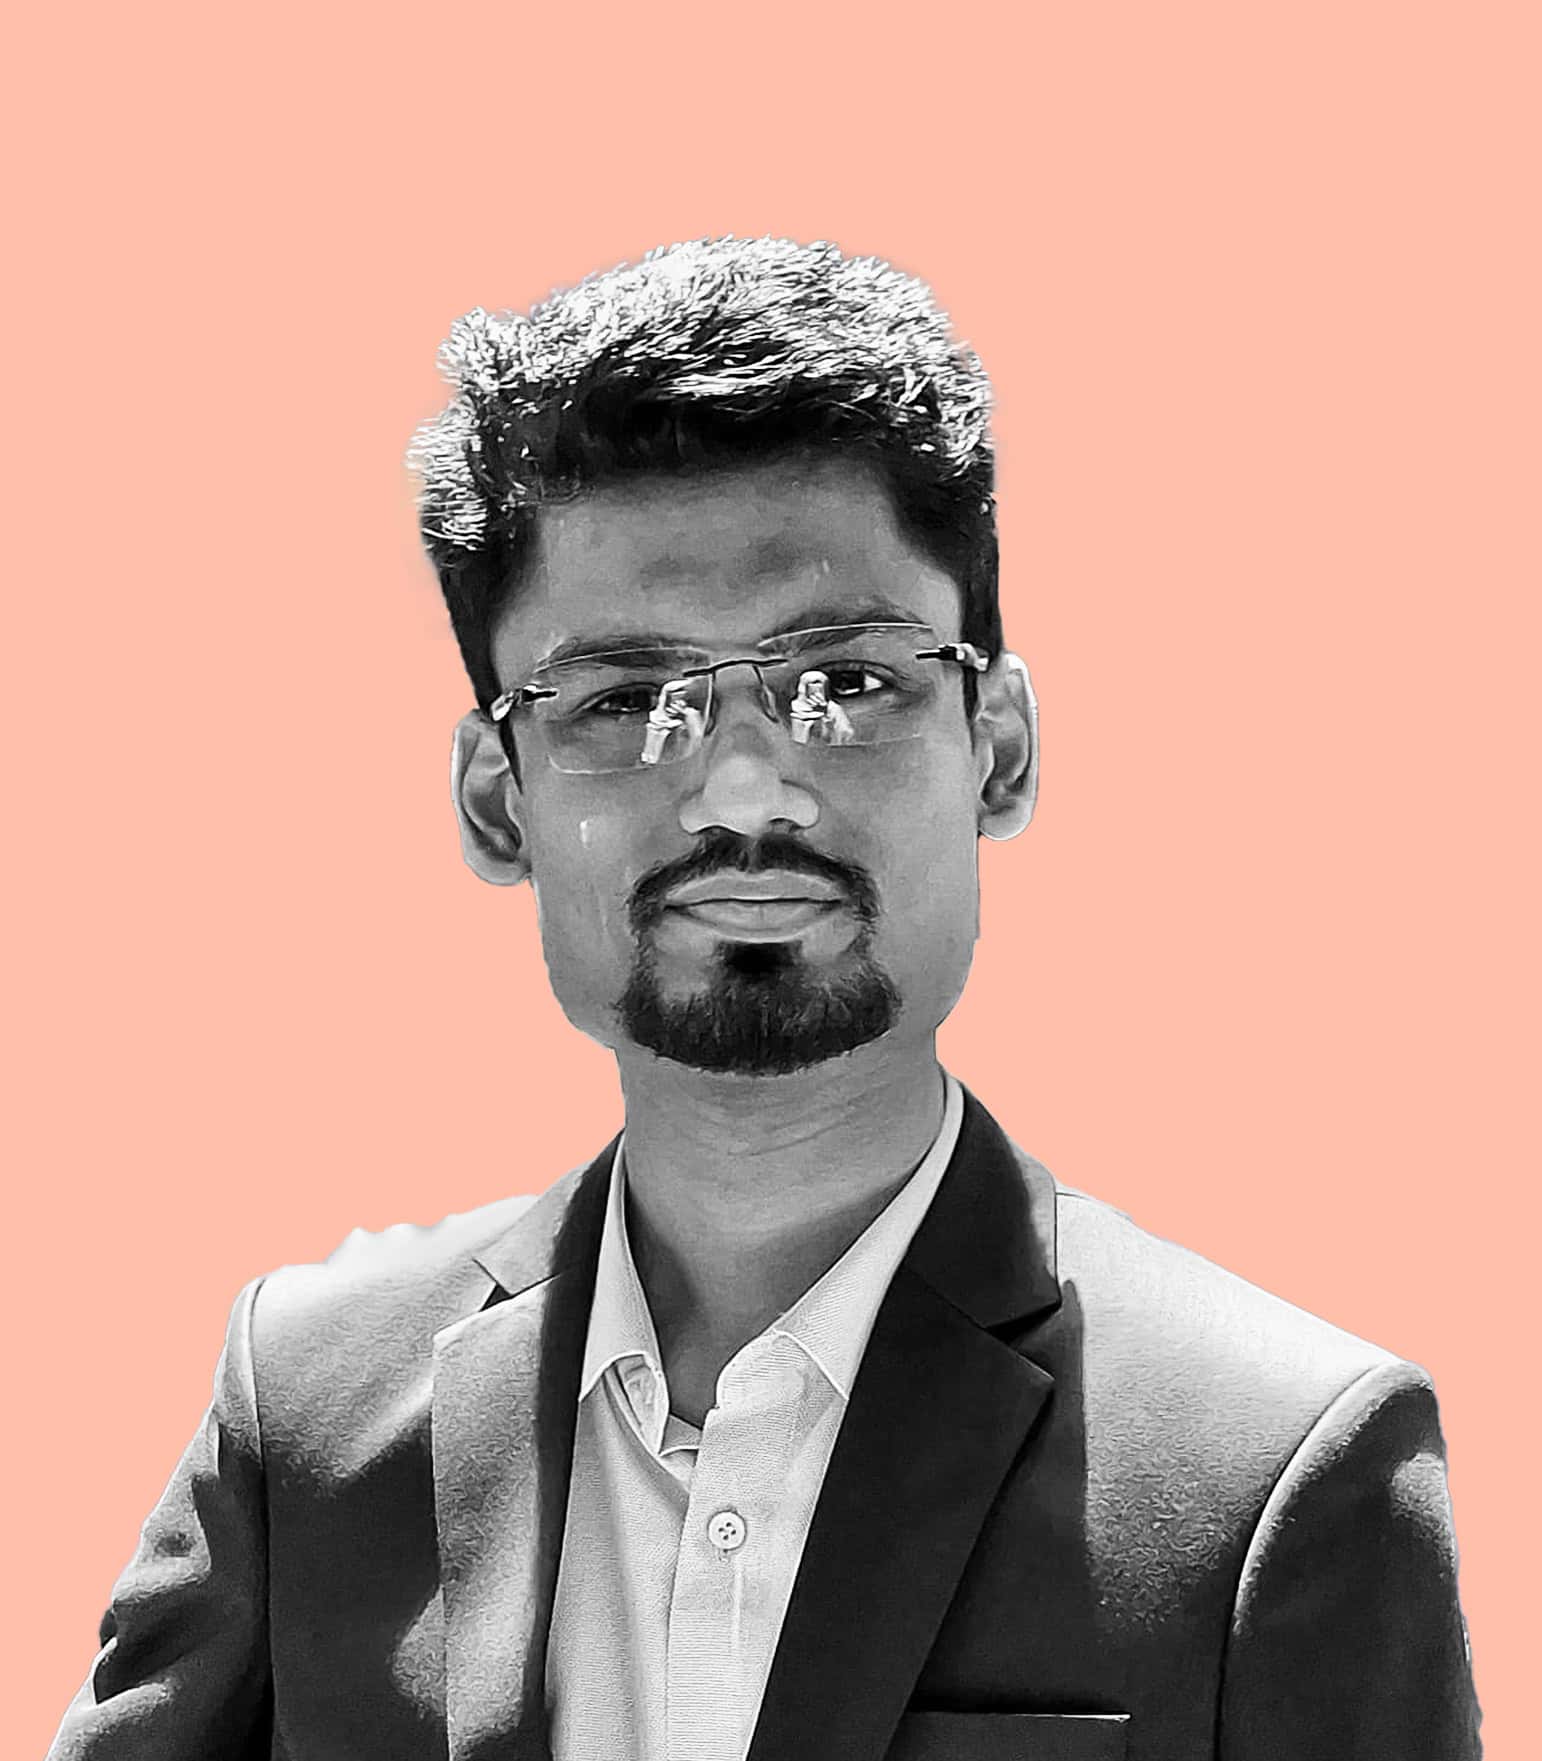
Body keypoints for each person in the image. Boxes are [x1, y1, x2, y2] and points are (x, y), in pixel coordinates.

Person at [49, 237, 1481, 1761]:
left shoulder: (1274, 1468)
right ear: (496, 798)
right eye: (622, 699)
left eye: (846, 682)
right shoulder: (310, 1418)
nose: (743, 789)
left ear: (996, 746)